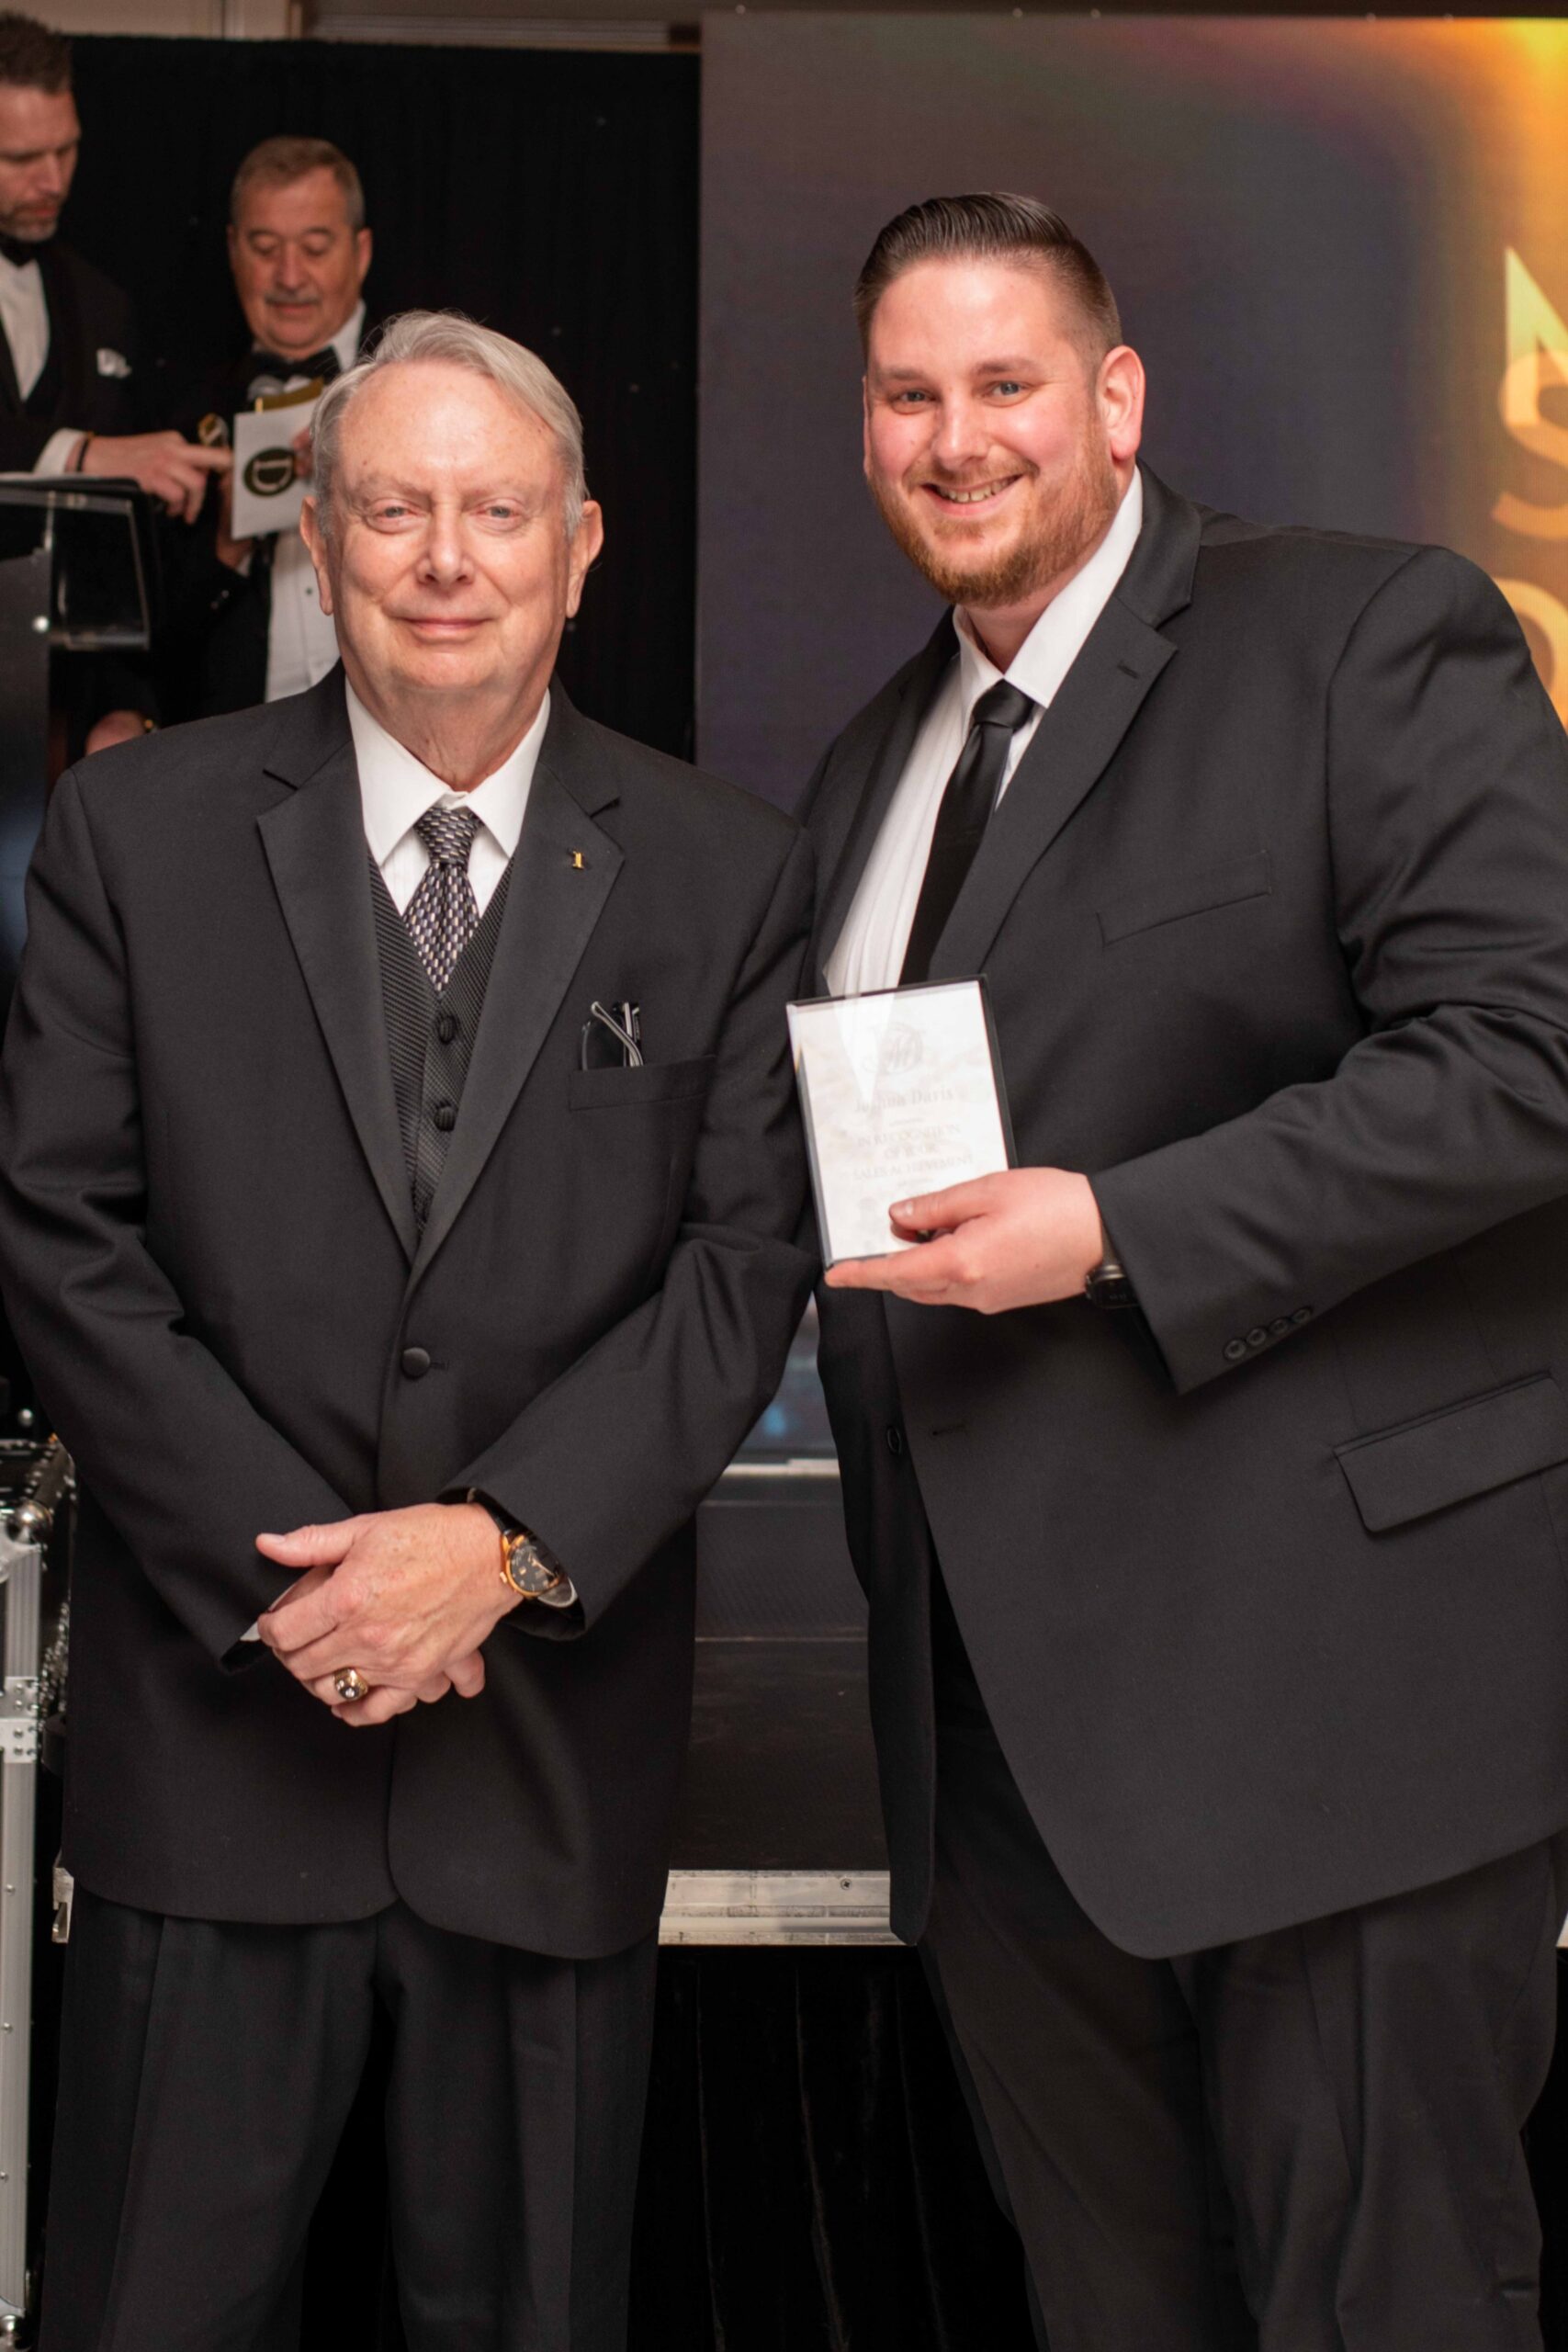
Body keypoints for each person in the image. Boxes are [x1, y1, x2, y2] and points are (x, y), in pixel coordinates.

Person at [0, 309, 814, 2349]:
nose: (447, 557)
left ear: (581, 544)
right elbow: (63, 1237)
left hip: (542, 1762)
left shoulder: (728, 869)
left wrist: (500, 1547)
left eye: (497, 512)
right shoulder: (133, 835)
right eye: (394, 510)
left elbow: (741, 1263)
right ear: (321, 541)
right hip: (218, 1748)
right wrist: (306, 1586)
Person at [802, 191, 1568, 2352]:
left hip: (1329, 1699)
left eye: (1005, 382)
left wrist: (1119, 1225)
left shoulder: (1355, 632)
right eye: (906, 394)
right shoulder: (866, 771)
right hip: (996, 1752)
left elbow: (1529, 1050)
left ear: (1116, 398)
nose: (956, 438)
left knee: (1383, 2309)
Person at [0, 9, 228, 752]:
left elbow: (109, 561)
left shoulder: (100, 301)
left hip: (53, 725)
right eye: (21, 158)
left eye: (66, 149)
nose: (53, 181)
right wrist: (84, 452)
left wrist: (127, 706)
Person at [164, 134, 376, 720]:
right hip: (240, 738)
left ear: (360, 253)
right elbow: (153, 649)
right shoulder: (186, 413)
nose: (289, 275)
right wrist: (228, 543)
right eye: (264, 248)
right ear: (233, 251)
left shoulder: (421, 387)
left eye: (314, 248)